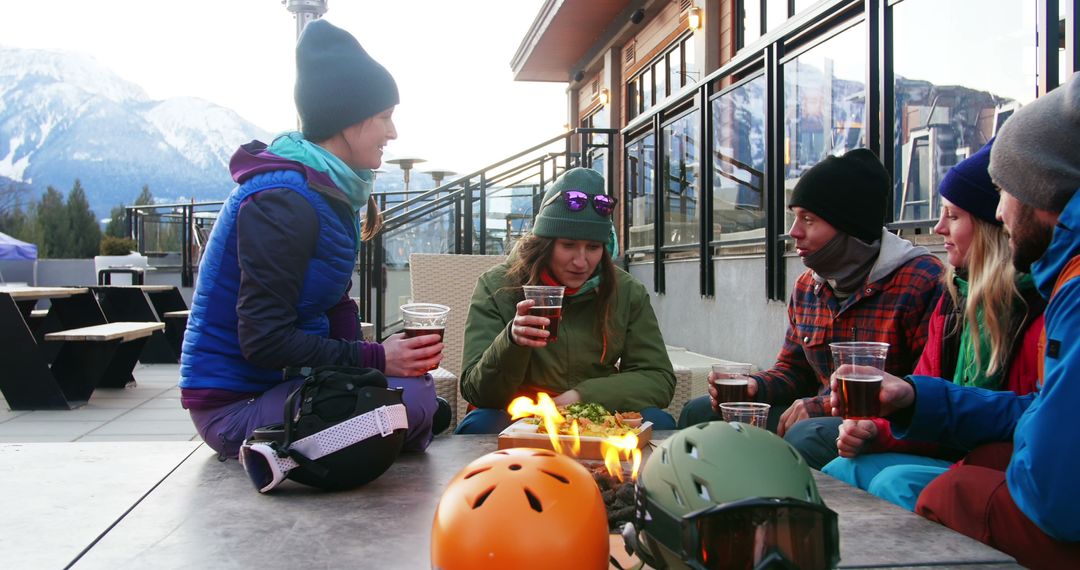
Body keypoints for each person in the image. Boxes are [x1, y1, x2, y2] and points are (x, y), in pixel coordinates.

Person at [828, 72, 1080, 568]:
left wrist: (971, 469)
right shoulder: (960, 295)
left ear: (1039, 190)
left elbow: (1052, 492)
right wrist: (908, 401)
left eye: (1002, 190)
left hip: (1038, 499)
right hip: (1006, 468)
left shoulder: (1058, 295)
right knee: (846, 460)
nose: (1002, 210)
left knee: (938, 490)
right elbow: (1035, 413)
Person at [179, 20, 446, 460]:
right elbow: (263, 341)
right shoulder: (283, 201)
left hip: (283, 386)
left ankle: (380, 426)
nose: (392, 133)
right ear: (348, 120)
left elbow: (335, 305)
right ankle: (309, 448)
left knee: (414, 392)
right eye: (384, 117)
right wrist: (376, 361)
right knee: (412, 404)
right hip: (233, 407)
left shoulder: (326, 191)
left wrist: (374, 370)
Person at [678, 148, 943, 469]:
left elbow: (922, 388)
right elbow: (794, 371)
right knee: (700, 413)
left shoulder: (921, 281)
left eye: (808, 219)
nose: (794, 231)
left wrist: (819, 406)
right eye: (795, 217)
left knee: (806, 433)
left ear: (850, 226)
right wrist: (755, 387)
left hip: (879, 428)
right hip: (817, 416)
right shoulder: (808, 286)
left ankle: (780, 515)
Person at [822, 138, 1045, 510]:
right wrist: (876, 431)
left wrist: (900, 409)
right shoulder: (955, 297)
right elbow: (929, 399)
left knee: (895, 481)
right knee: (841, 470)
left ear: (995, 226)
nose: (939, 227)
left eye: (953, 216)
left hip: (1008, 472)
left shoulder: (1043, 306)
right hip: (958, 458)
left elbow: (1035, 420)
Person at [455, 167, 677, 434]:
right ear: (545, 243)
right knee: (480, 425)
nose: (581, 262)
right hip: (519, 414)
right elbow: (476, 391)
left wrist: (580, 396)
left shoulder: (626, 291)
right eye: (568, 245)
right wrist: (512, 342)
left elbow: (658, 378)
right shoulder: (497, 286)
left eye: (593, 247)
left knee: (660, 424)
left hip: (595, 412)